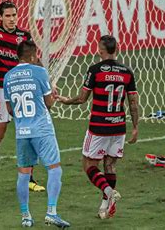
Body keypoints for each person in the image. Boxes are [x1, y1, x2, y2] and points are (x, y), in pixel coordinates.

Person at [56, 35, 139, 219]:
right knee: (109, 165)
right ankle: (105, 206)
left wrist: (65, 101)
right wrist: (135, 127)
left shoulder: (95, 70)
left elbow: (82, 98)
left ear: (101, 50)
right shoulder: (127, 71)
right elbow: (133, 103)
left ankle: (109, 193)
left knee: (88, 164)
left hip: (99, 126)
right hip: (118, 126)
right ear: (115, 49)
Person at [4, 40, 70, 228]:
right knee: (55, 168)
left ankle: (25, 216)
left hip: (22, 131)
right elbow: (48, 103)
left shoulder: (8, 76)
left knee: (24, 174)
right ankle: (51, 212)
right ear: (34, 55)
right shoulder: (40, 72)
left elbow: (10, 109)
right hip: (42, 129)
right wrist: (53, 96)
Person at [0, 1, 44, 192]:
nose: (12, 19)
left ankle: (30, 178)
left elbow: (34, 58)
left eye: (14, 15)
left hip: (20, 88)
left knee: (28, 131)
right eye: (7, 15)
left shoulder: (23, 36)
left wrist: (45, 77)